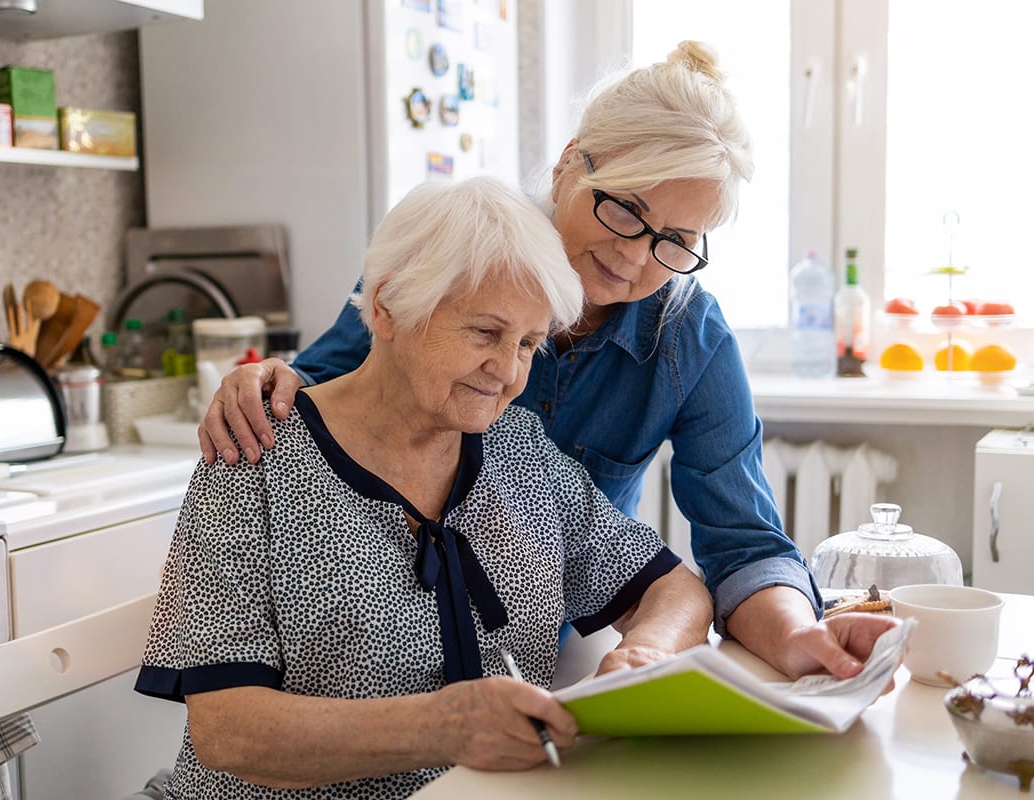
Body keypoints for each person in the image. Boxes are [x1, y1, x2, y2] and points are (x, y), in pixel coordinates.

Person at [197, 42, 899, 683]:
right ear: (569, 164)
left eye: (676, 240)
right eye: (625, 208)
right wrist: (265, 381)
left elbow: (743, 544)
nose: (632, 255)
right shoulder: (454, 256)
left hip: (542, 653)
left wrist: (800, 636)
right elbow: (322, 394)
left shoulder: (690, 337)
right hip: (376, 655)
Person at [136, 177, 715, 799]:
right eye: (485, 333)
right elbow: (228, 731)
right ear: (386, 307)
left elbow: (672, 587)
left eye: (528, 343)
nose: (508, 371)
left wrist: (647, 654)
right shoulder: (255, 454)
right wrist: (443, 727)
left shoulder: (518, 449)